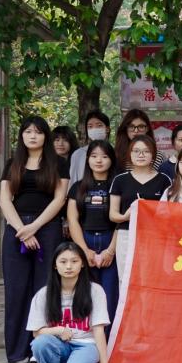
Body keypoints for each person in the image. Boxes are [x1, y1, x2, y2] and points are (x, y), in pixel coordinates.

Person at [0, 116, 70, 363]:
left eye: (38, 132)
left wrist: (35, 227)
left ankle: (40, 347)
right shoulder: (13, 163)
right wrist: (22, 230)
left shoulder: (58, 163)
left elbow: (59, 199)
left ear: (45, 136)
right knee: (16, 290)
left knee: (45, 289)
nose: (32, 136)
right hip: (16, 230)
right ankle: (17, 351)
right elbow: (5, 200)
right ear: (21, 136)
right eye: (28, 131)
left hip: (47, 229)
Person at [26, 242, 110, 363]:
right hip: (60, 344)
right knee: (40, 343)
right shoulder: (43, 294)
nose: (69, 266)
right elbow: (36, 333)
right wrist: (59, 330)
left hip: (86, 345)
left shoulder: (95, 291)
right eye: (63, 262)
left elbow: (99, 330)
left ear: (83, 264)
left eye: (74, 261)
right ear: (55, 265)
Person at [66, 140, 119, 331]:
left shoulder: (118, 185)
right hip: (85, 240)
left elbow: (121, 222)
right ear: (87, 159)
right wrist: (83, 250)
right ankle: (87, 339)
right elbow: (72, 220)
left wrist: (110, 251)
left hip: (111, 240)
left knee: (110, 295)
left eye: (104, 156)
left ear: (111, 160)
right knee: (85, 293)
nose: (99, 160)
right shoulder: (78, 187)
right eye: (94, 156)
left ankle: (108, 341)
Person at [109, 135, 172, 285]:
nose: (141, 155)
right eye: (136, 151)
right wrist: (126, 216)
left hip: (154, 235)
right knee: (126, 279)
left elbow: (169, 214)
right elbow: (113, 215)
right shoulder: (120, 180)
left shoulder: (164, 180)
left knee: (152, 279)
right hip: (126, 234)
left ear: (153, 154)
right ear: (130, 154)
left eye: (146, 151)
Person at [68, 110, 111, 184]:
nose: (94, 129)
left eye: (99, 125)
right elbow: (73, 181)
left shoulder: (115, 153)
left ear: (107, 129)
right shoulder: (78, 154)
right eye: (90, 126)